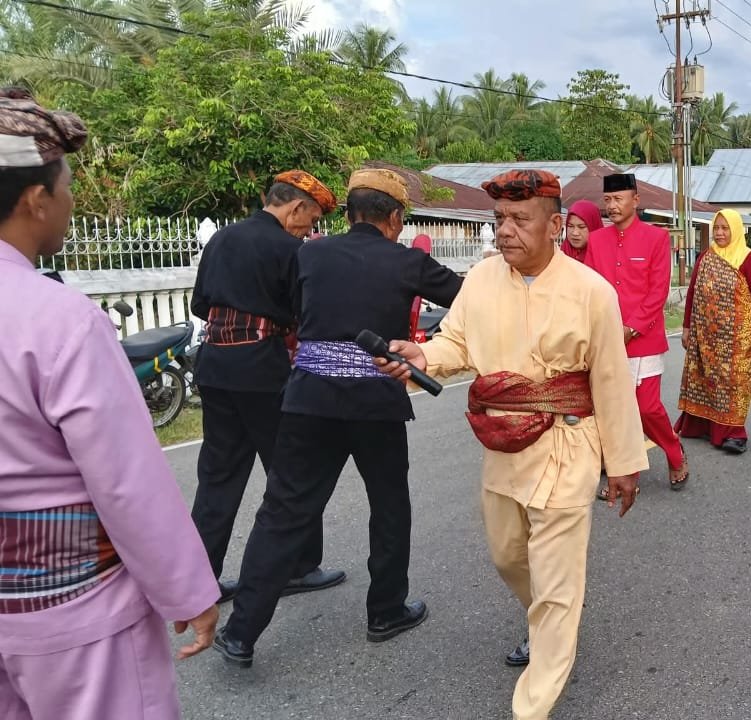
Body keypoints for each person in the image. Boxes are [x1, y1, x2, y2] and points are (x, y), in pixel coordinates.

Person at [375, 169, 647, 720]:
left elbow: (612, 381)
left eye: (521, 219)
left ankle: (532, 704)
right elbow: (456, 341)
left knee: (556, 585)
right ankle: (548, 620)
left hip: (568, 445)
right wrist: (426, 355)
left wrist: (622, 462)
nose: (505, 230)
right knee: (507, 556)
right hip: (502, 445)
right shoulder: (481, 280)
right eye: (500, 218)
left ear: (556, 226)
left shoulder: (592, 292)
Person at [0, 88, 219, 718]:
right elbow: (126, 482)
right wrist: (188, 592)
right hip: (70, 609)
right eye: (67, 187)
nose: (72, 202)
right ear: (36, 199)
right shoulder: (58, 318)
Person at [213, 169, 463, 668]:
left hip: (310, 398)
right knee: (388, 506)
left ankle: (240, 632)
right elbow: (467, 299)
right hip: (375, 400)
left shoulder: (308, 253)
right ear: (395, 218)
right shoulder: (407, 260)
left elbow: (295, 310)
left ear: (348, 214)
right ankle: (386, 611)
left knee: (284, 510)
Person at [190, 170, 345, 604]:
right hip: (261, 367)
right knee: (292, 468)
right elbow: (304, 312)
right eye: (311, 219)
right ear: (296, 207)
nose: (309, 229)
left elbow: (200, 304)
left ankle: (200, 581)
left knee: (218, 476)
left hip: (214, 364)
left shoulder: (221, 239)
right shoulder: (290, 250)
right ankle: (298, 566)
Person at [584, 173, 689, 490]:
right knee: (615, 410)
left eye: (618, 199)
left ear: (635, 200)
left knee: (646, 408)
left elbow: (658, 292)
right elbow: (589, 288)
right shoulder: (596, 240)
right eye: (607, 200)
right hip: (606, 339)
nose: (612, 206)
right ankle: (626, 474)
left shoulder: (656, 238)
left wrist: (631, 329)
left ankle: (674, 451)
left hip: (644, 338)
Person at [674, 209, 751, 454]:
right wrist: (686, 327)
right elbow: (692, 293)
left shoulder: (748, 259)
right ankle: (702, 425)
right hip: (705, 335)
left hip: (737, 337)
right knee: (703, 378)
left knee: (733, 382)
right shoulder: (706, 257)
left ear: (735, 230)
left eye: (725, 228)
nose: (719, 233)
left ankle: (734, 433)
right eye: (716, 228)